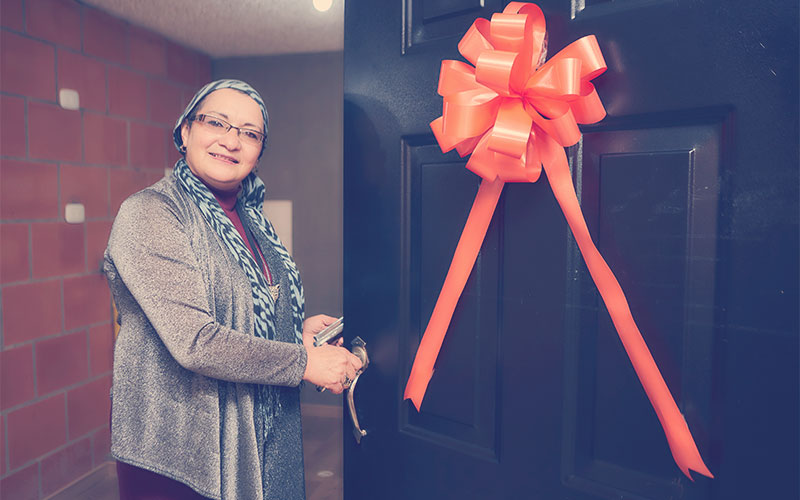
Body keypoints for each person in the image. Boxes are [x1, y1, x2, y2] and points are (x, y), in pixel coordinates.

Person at [104, 79, 362, 500]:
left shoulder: (252, 217)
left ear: (260, 150)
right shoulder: (149, 214)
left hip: (254, 428)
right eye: (217, 122)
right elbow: (196, 341)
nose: (231, 141)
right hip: (180, 450)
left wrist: (292, 330)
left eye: (249, 132)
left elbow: (241, 309)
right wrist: (302, 362)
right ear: (185, 131)